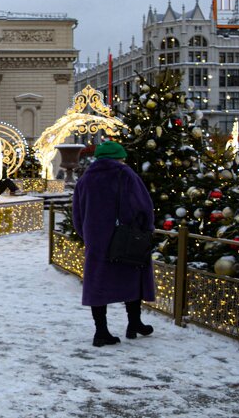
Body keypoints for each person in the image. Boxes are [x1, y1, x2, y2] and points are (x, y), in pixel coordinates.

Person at [71, 140, 155, 347]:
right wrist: (146, 229)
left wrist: (88, 235)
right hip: (126, 237)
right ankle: (134, 323)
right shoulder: (126, 175)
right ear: (120, 157)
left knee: (97, 283)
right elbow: (143, 205)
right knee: (133, 275)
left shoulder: (85, 179)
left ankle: (101, 332)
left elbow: (77, 213)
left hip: (96, 239)